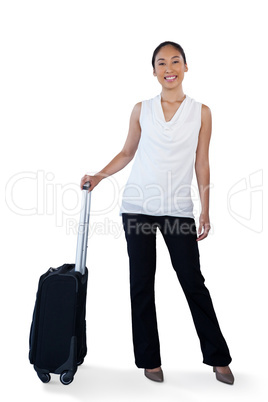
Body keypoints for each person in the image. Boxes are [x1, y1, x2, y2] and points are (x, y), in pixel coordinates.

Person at [80, 41, 234, 385]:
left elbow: (202, 162)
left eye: (175, 61)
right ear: (154, 71)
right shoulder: (141, 109)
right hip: (137, 209)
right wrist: (98, 177)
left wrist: (205, 209)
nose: (169, 67)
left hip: (178, 211)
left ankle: (218, 357)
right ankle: (149, 360)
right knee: (141, 283)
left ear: (185, 67)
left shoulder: (201, 111)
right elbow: (126, 152)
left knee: (192, 282)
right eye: (162, 62)